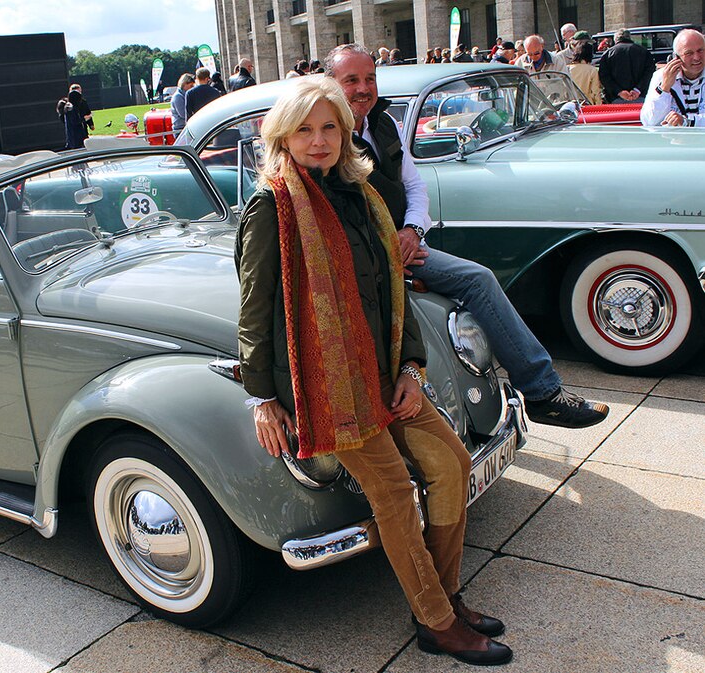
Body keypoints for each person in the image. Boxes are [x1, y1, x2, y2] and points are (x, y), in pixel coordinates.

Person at [236, 74, 513, 667]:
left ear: (345, 130)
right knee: (391, 491)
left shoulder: (363, 194)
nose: (318, 141)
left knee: (451, 463)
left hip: (384, 369)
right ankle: (437, 622)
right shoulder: (272, 206)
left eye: (329, 126)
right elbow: (254, 310)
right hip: (327, 382)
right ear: (283, 135)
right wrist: (262, 398)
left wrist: (412, 367)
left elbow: (394, 290)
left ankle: (442, 599)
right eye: (305, 129)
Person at [324, 43, 609, 429]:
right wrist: (390, 247)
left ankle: (520, 392)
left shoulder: (382, 122)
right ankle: (541, 392)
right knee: (478, 279)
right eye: (351, 80)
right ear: (331, 85)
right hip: (370, 258)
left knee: (477, 280)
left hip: (404, 243)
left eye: (369, 78)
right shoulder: (329, 139)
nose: (363, 88)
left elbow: (415, 186)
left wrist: (412, 230)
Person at [641, 29, 705, 127]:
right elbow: (649, 121)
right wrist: (664, 88)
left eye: (700, 50)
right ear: (676, 57)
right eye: (689, 53)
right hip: (671, 140)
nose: (696, 57)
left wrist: (687, 122)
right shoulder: (661, 76)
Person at [598, 29, 655, 103]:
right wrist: (637, 90)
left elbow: (604, 76)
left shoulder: (608, 54)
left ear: (615, 40)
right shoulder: (644, 52)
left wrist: (619, 91)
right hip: (640, 97)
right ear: (629, 37)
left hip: (616, 98)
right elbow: (649, 73)